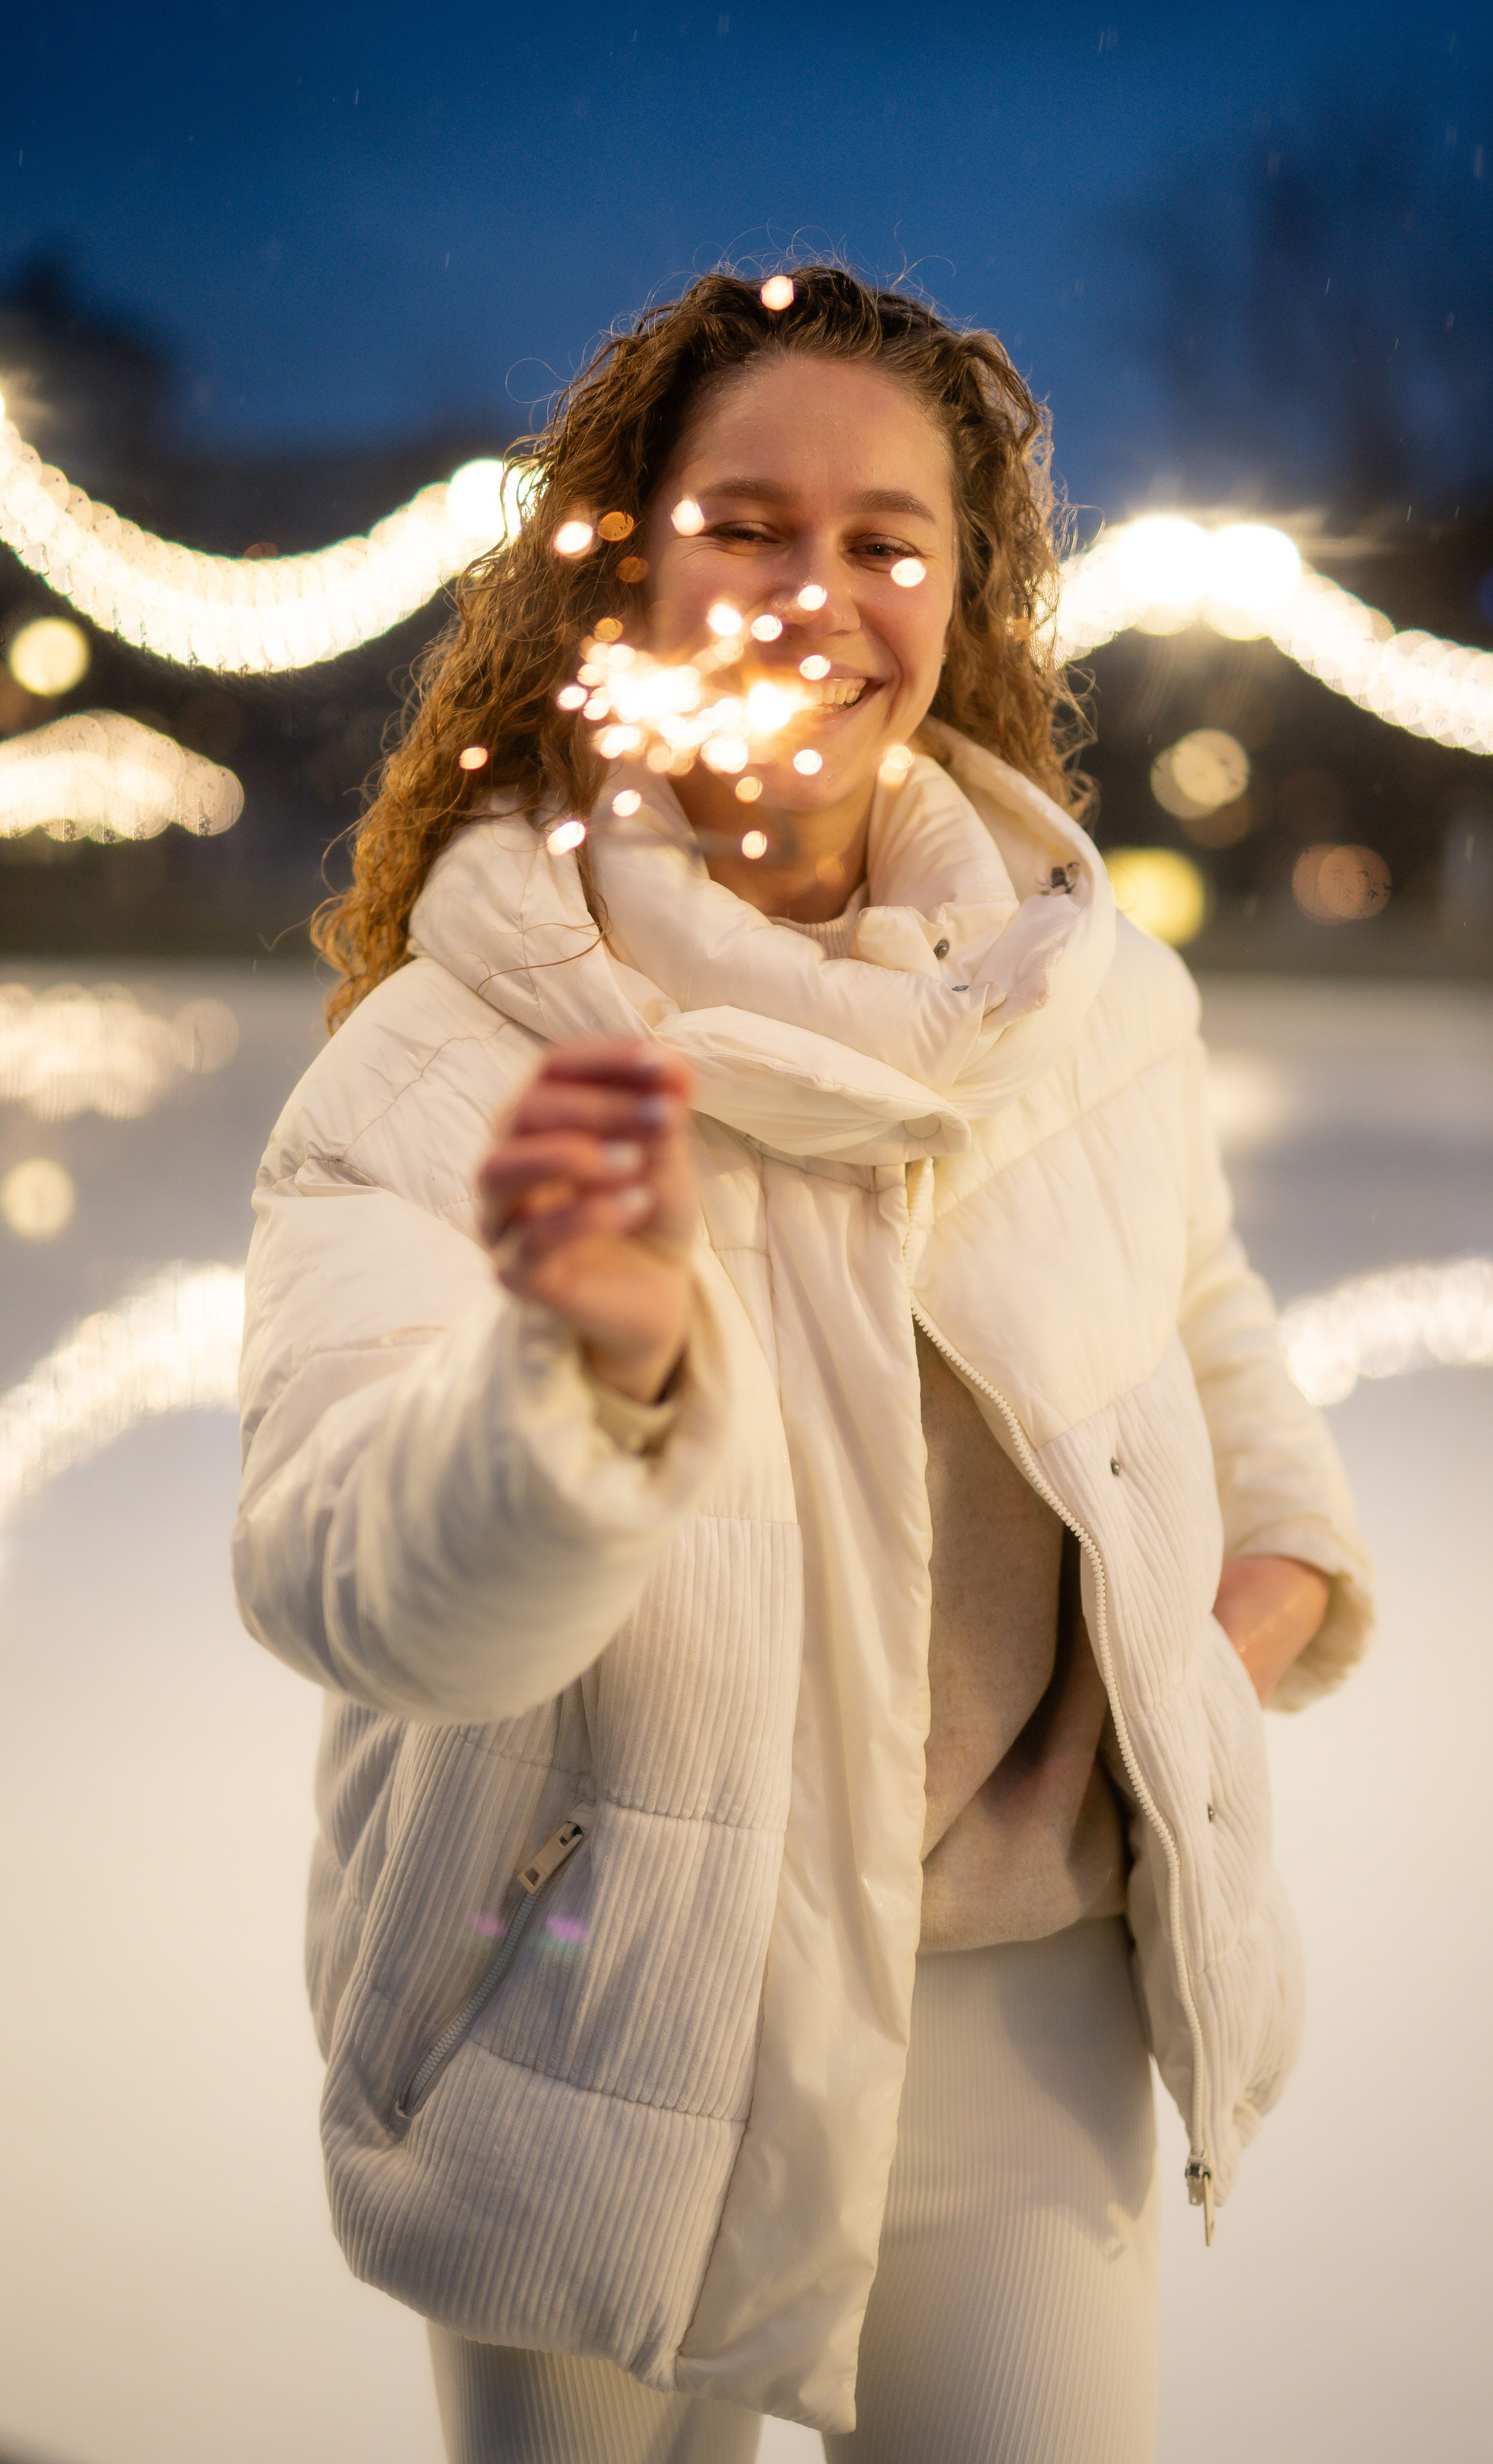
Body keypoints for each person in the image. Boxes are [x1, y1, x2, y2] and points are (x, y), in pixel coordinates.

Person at [234, 266, 1373, 2464]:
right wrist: (591, 1378)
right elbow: (344, 1581)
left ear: (965, 598)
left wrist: (1269, 1591)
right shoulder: (448, 1065)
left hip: (1021, 2022)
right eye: (745, 522)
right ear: (629, 563)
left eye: (888, 540)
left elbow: (1204, 1328)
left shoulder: (1083, 1004)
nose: (815, 592)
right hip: (584, 2015)